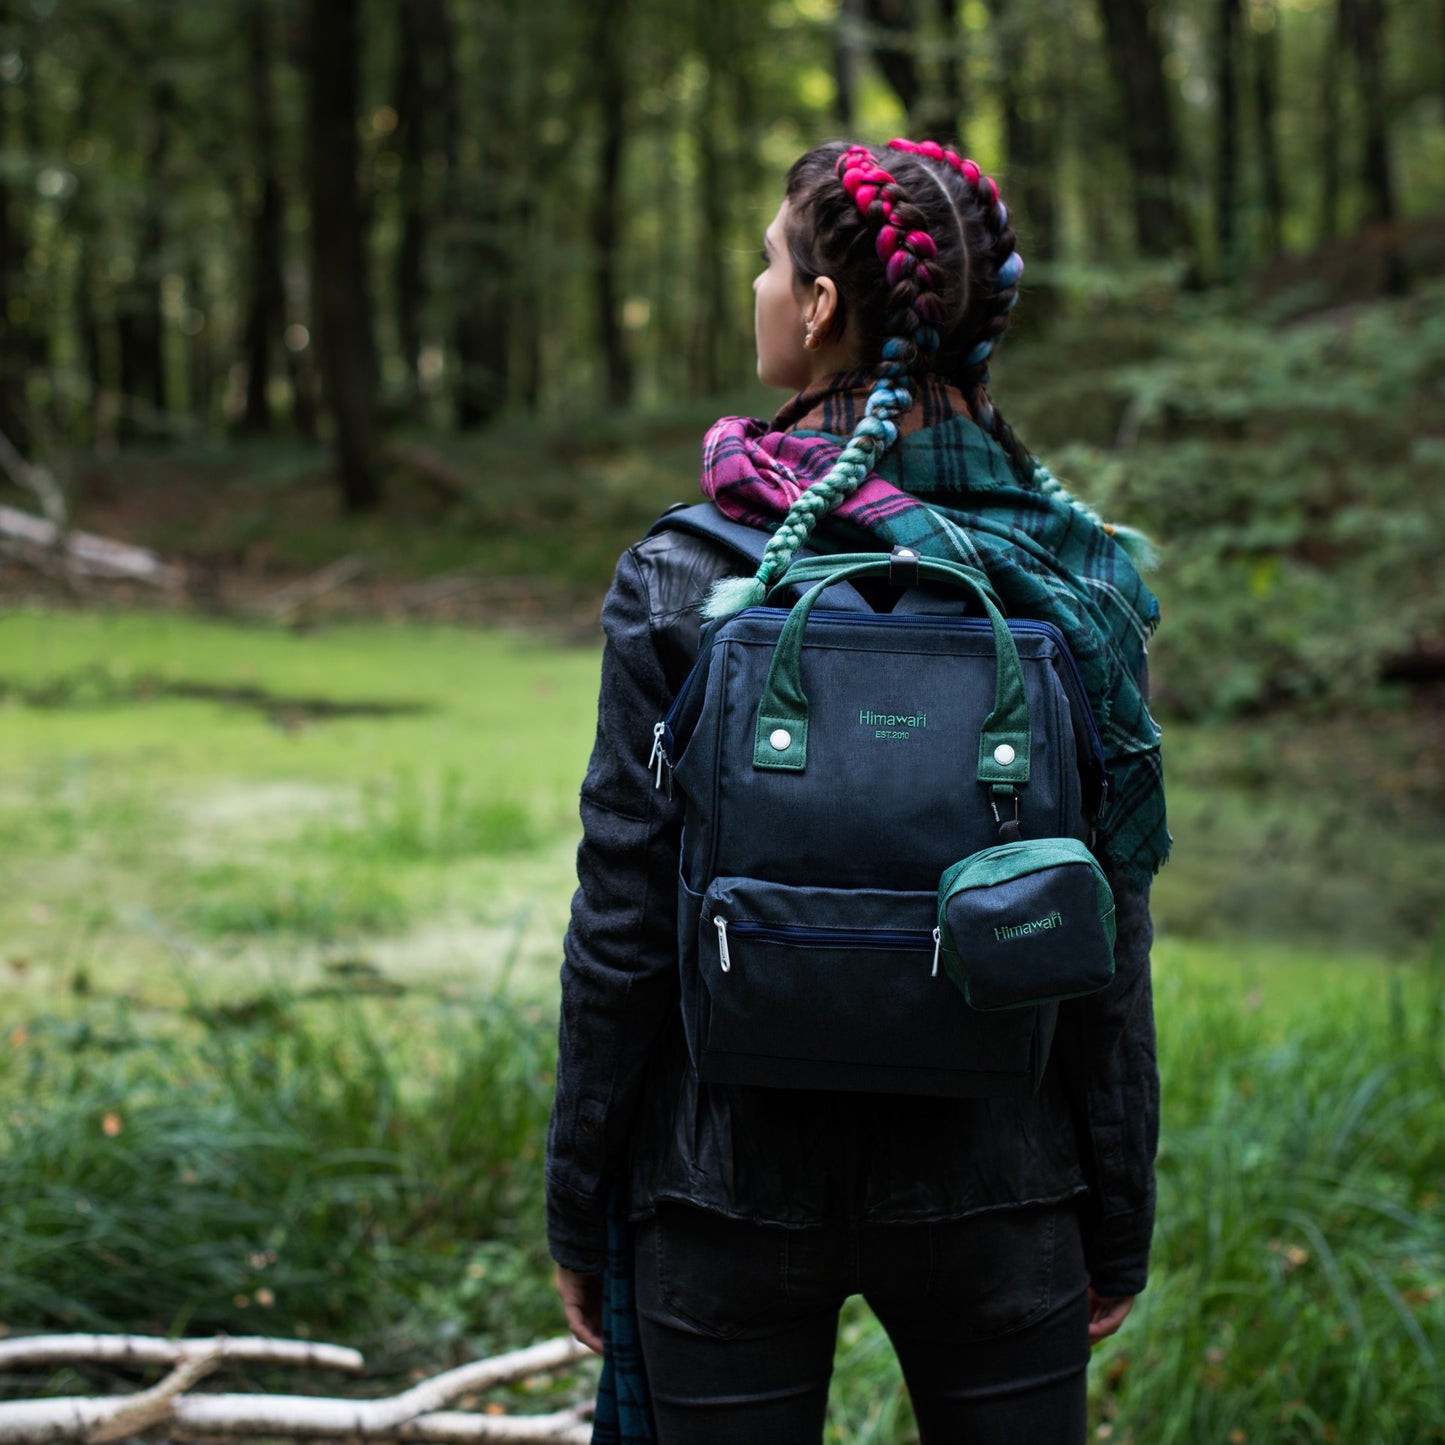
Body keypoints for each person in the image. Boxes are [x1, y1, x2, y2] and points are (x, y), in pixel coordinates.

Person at [546, 138, 1166, 1445]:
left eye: (772, 260)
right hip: (1003, 1188)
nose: (758, 284)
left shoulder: (688, 569)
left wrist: (580, 1198)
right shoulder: (1071, 577)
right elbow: (1105, 925)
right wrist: (1114, 1203)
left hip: (719, 1187)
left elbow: (620, 923)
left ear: (822, 306)